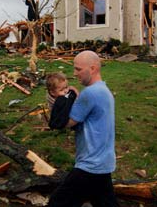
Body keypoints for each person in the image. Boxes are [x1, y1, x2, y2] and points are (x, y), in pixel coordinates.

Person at [48, 50, 118, 207]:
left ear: (92, 69)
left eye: (78, 69)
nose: (74, 73)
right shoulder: (103, 90)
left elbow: (64, 123)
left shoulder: (90, 94)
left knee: (57, 202)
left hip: (90, 165)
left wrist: (58, 101)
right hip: (103, 161)